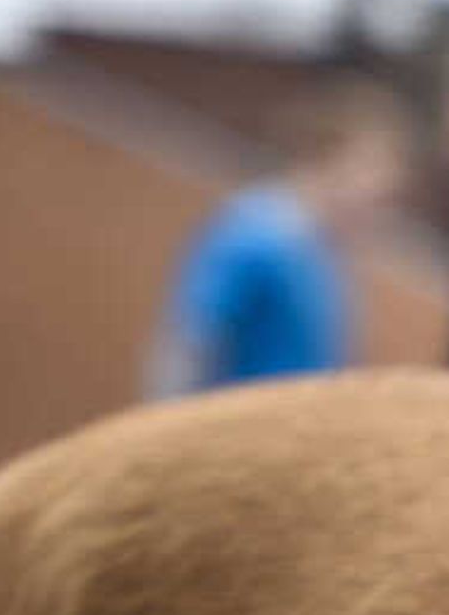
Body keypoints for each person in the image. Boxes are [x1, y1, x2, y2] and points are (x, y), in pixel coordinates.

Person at [148, 82, 412, 395]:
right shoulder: (257, 232)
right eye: (373, 169)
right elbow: (190, 342)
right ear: (328, 156)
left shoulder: (326, 252)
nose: (384, 190)